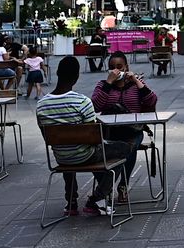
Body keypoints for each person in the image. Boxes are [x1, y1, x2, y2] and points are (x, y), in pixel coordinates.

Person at [35, 56, 128, 216]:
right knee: (124, 149)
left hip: (61, 157)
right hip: (86, 155)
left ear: (57, 73)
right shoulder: (82, 101)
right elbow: (94, 136)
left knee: (67, 148)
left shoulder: (41, 104)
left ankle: (71, 202)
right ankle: (97, 197)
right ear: (77, 77)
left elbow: (46, 137)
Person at [90, 51, 158, 203]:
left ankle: (123, 185)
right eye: (112, 67)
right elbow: (95, 106)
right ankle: (106, 186)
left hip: (133, 130)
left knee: (130, 147)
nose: (116, 71)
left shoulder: (135, 84)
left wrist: (136, 81)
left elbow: (152, 101)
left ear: (126, 67)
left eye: (119, 67)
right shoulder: (103, 85)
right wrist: (108, 83)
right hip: (109, 132)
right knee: (94, 151)